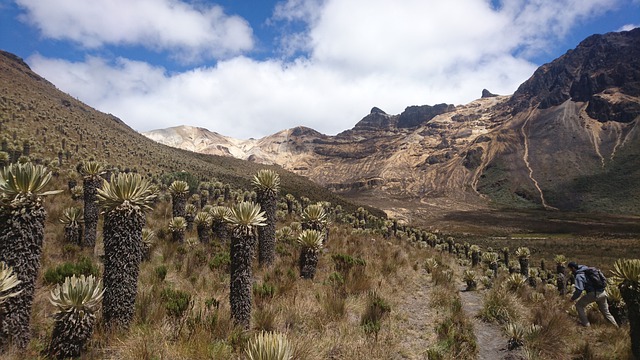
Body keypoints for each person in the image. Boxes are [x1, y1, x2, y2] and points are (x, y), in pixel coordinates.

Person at [567, 261, 618, 327]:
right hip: (603, 293)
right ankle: (616, 327)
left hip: (593, 294)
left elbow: (579, 290)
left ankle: (586, 325)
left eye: (570, 269)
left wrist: (572, 298)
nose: (570, 271)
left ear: (573, 268)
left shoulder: (579, 276)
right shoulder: (586, 269)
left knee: (579, 306)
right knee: (606, 312)